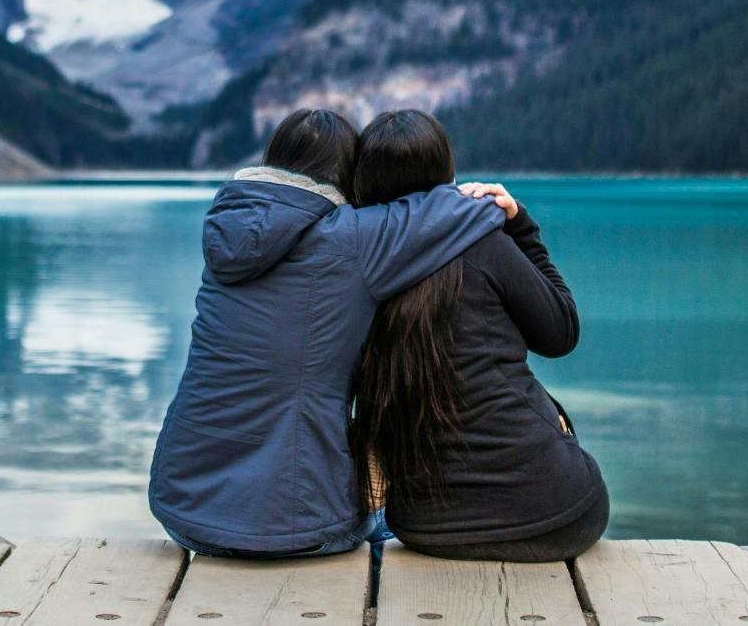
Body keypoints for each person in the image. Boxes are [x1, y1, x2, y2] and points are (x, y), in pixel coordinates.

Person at [149, 107, 517, 557]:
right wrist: (495, 199)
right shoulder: (351, 239)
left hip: (182, 512)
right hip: (294, 527)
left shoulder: (225, 232)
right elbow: (456, 211)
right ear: (345, 175)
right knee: (395, 522)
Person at [351, 109, 607, 561]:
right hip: (560, 514)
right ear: (447, 175)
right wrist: (520, 226)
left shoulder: (354, 265)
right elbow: (560, 333)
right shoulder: (484, 243)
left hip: (427, 529)